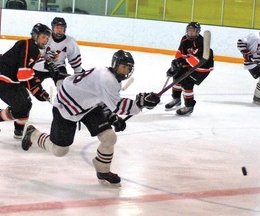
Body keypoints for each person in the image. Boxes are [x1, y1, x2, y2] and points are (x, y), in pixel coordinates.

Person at [21, 50, 160, 185]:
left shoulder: (111, 78)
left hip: (87, 107)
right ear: (115, 65)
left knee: (109, 137)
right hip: (67, 106)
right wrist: (140, 102)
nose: (125, 71)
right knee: (59, 150)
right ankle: (32, 134)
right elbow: (118, 106)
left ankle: (103, 170)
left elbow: (100, 98)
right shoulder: (108, 79)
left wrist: (111, 117)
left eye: (128, 68)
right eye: (123, 67)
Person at [0, 23, 52, 139]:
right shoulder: (30, 47)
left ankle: (19, 130)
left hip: (9, 79)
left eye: (46, 38)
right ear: (35, 36)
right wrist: (38, 91)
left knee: (26, 105)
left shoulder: (28, 45)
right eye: (43, 37)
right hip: (1, 81)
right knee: (21, 107)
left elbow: (27, 67)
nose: (45, 40)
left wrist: (46, 63)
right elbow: (24, 75)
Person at [165, 22, 214, 115]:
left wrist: (182, 63)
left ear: (198, 32)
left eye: (193, 31)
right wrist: (175, 65)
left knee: (187, 83)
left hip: (203, 67)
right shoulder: (184, 39)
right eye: (189, 30)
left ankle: (189, 106)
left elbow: (197, 62)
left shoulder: (201, 42)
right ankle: (176, 99)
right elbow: (179, 54)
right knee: (177, 75)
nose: (191, 33)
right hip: (191, 63)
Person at [33, 17, 85, 89]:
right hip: (42, 66)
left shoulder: (70, 41)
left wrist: (78, 71)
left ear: (65, 29)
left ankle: (61, 99)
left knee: (62, 87)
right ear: (53, 28)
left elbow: (74, 58)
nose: (59, 30)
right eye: (57, 27)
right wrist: (46, 64)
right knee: (31, 85)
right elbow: (36, 55)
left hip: (58, 67)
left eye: (61, 28)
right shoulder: (45, 37)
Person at [237, 32, 260, 104]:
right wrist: (246, 53)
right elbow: (240, 42)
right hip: (252, 63)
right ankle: (257, 97)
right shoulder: (255, 36)